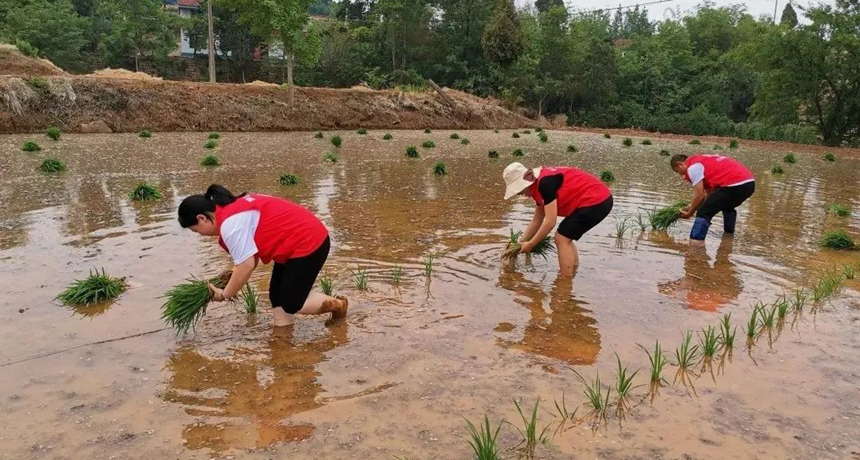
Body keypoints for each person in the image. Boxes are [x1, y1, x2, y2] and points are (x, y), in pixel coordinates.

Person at [177, 184, 348, 327]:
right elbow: (250, 259)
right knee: (277, 297)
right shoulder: (230, 209)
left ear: (202, 218)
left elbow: (246, 265)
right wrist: (232, 277)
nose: (201, 235)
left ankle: (339, 305)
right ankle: (282, 341)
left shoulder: (230, 224)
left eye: (196, 230)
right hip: (292, 243)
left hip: (308, 242)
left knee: (292, 303)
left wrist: (224, 294)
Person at [502, 162, 613, 275]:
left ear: (525, 183)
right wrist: (521, 243)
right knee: (565, 237)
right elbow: (537, 220)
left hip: (597, 200)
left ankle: (565, 281)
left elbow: (550, 222)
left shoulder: (545, 184)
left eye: (519, 191)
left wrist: (531, 244)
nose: (519, 194)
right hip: (596, 199)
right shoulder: (538, 185)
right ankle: (573, 272)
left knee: (561, 238)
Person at [670, 154, 755, 243]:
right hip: (749, 184)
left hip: (734, 185)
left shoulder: (692, 168)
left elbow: (699, 196)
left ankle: (695, 243)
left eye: (678, 171)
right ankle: (728, 237)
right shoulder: (701, 161)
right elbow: (709, 195)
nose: (681, 175)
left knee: (703, 212)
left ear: (680, 165)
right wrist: (691, 206)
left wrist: (690, 213)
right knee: (727, 206)